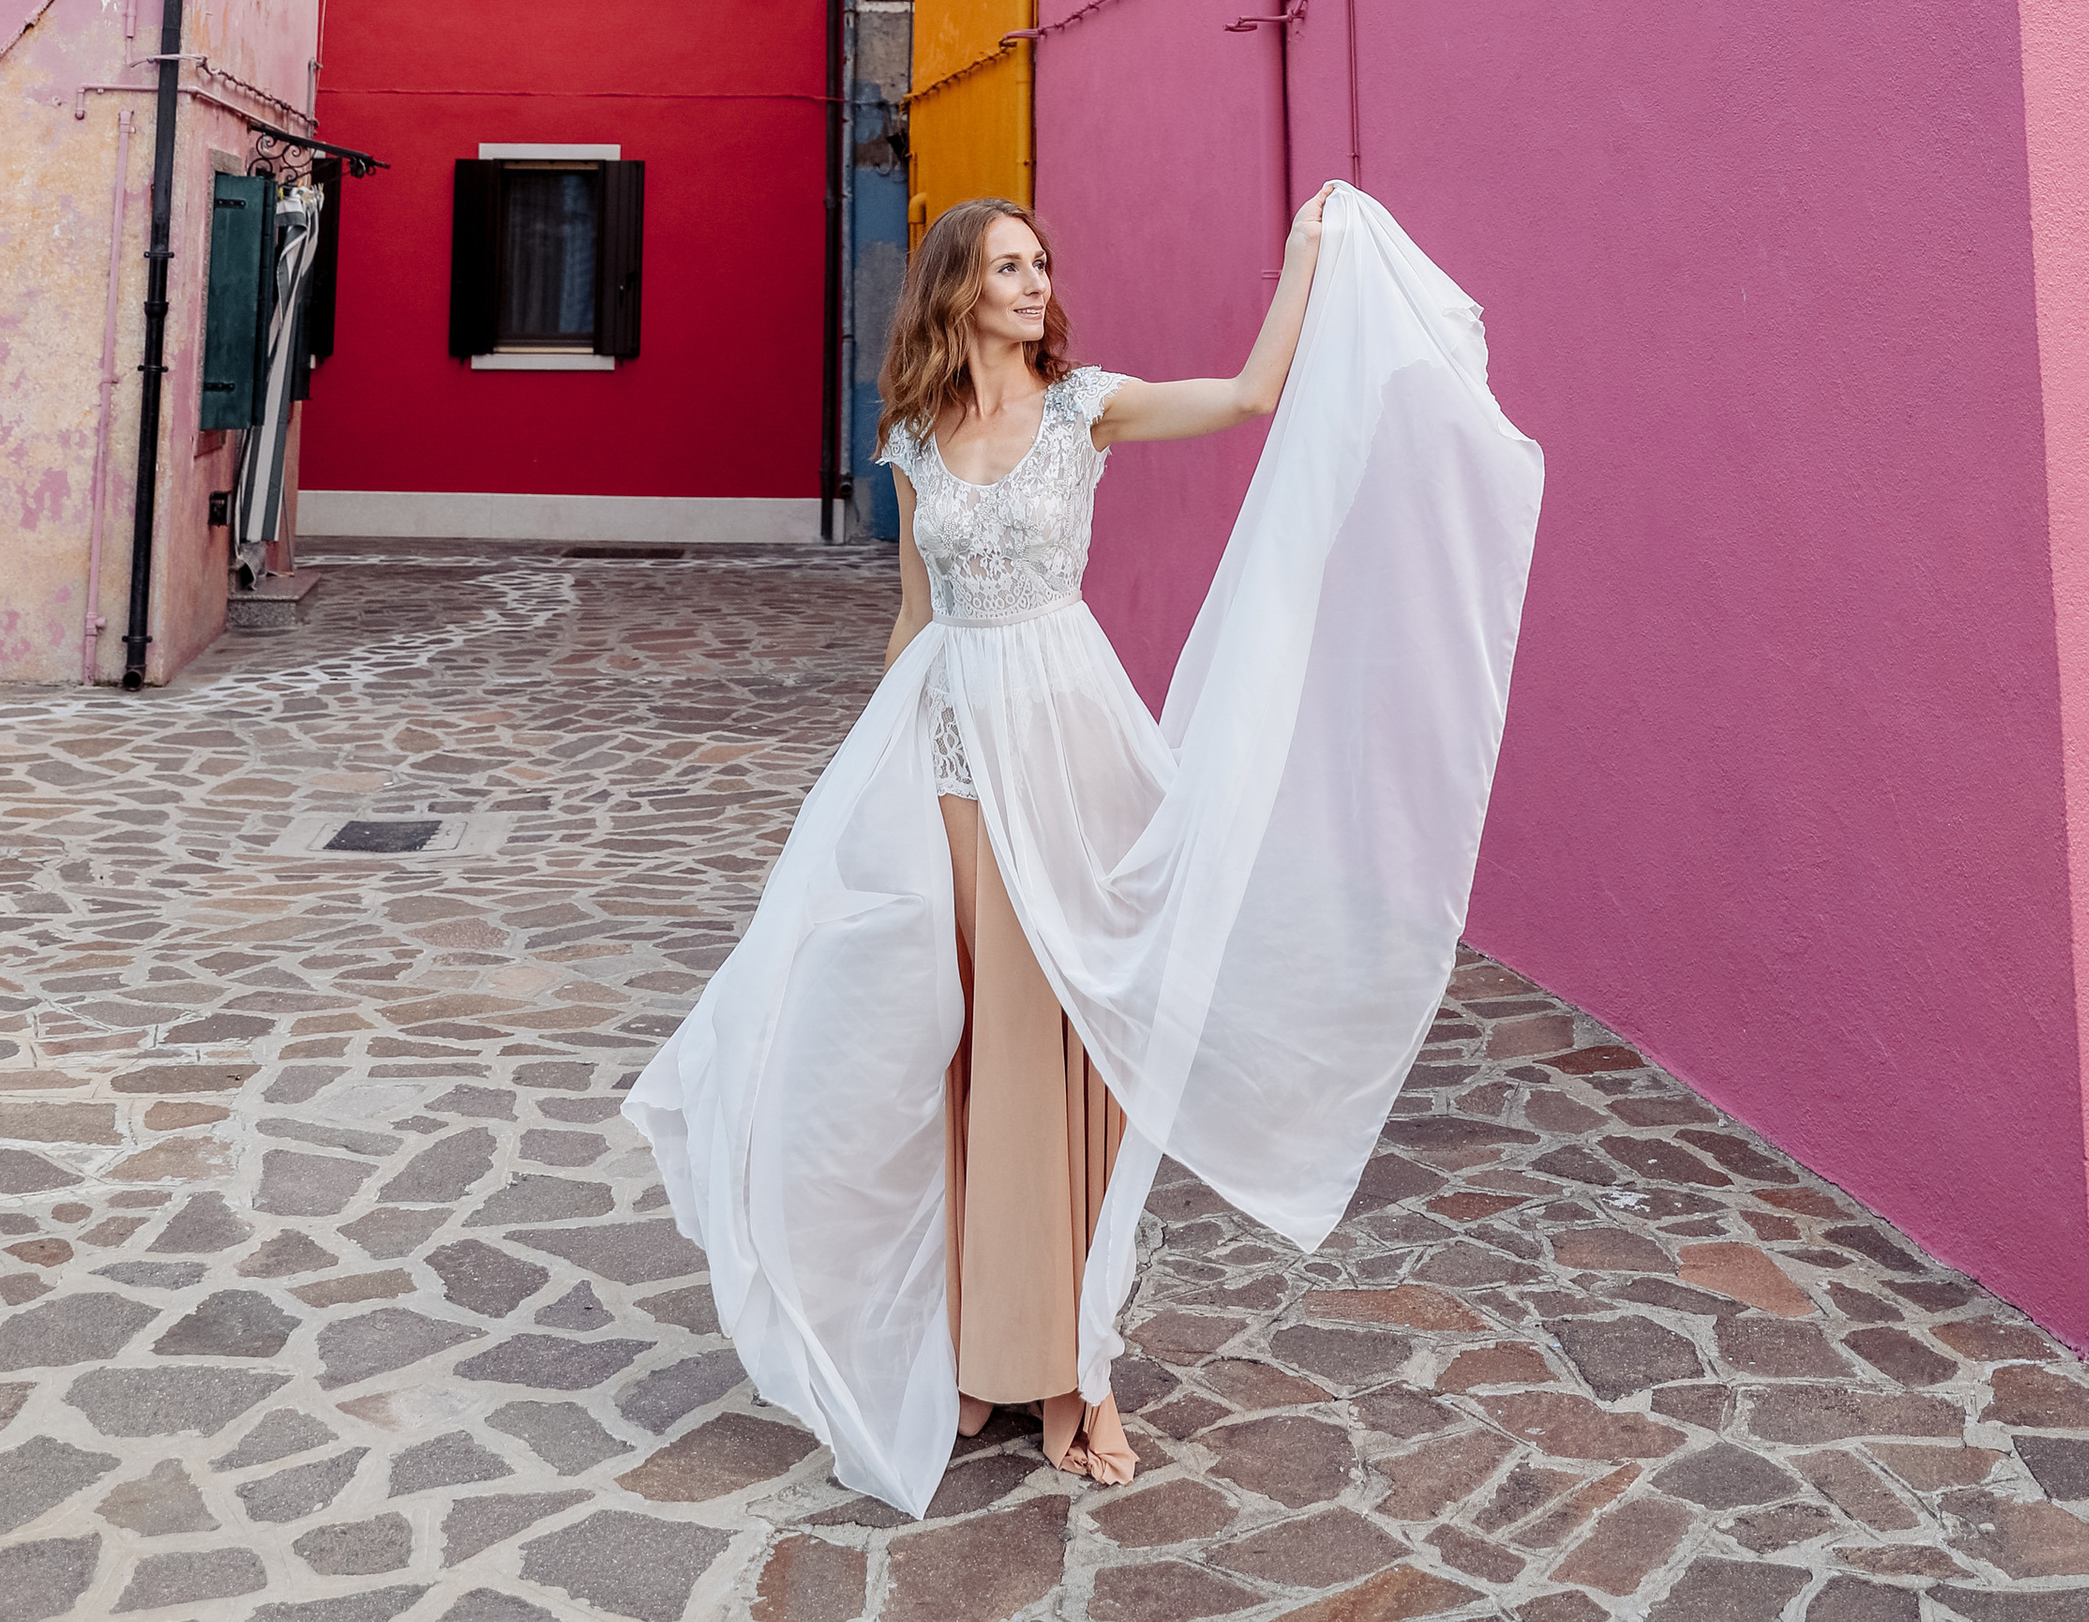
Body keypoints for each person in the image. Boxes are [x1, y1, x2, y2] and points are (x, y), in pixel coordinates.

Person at [625, 179, 1543, 1521]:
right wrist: (861, 776)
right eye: (1008, 267)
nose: (1035, 284)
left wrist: (1307, 253)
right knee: (953, 1045)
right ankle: (981, 1353)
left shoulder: (1083, 409)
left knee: (1061, 1054)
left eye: (1039, 265)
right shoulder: (914, 438)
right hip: (949, 754)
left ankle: (1074, 1372)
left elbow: (1247, 397)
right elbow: (915, 618)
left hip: (1064, 746)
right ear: (957, 289)